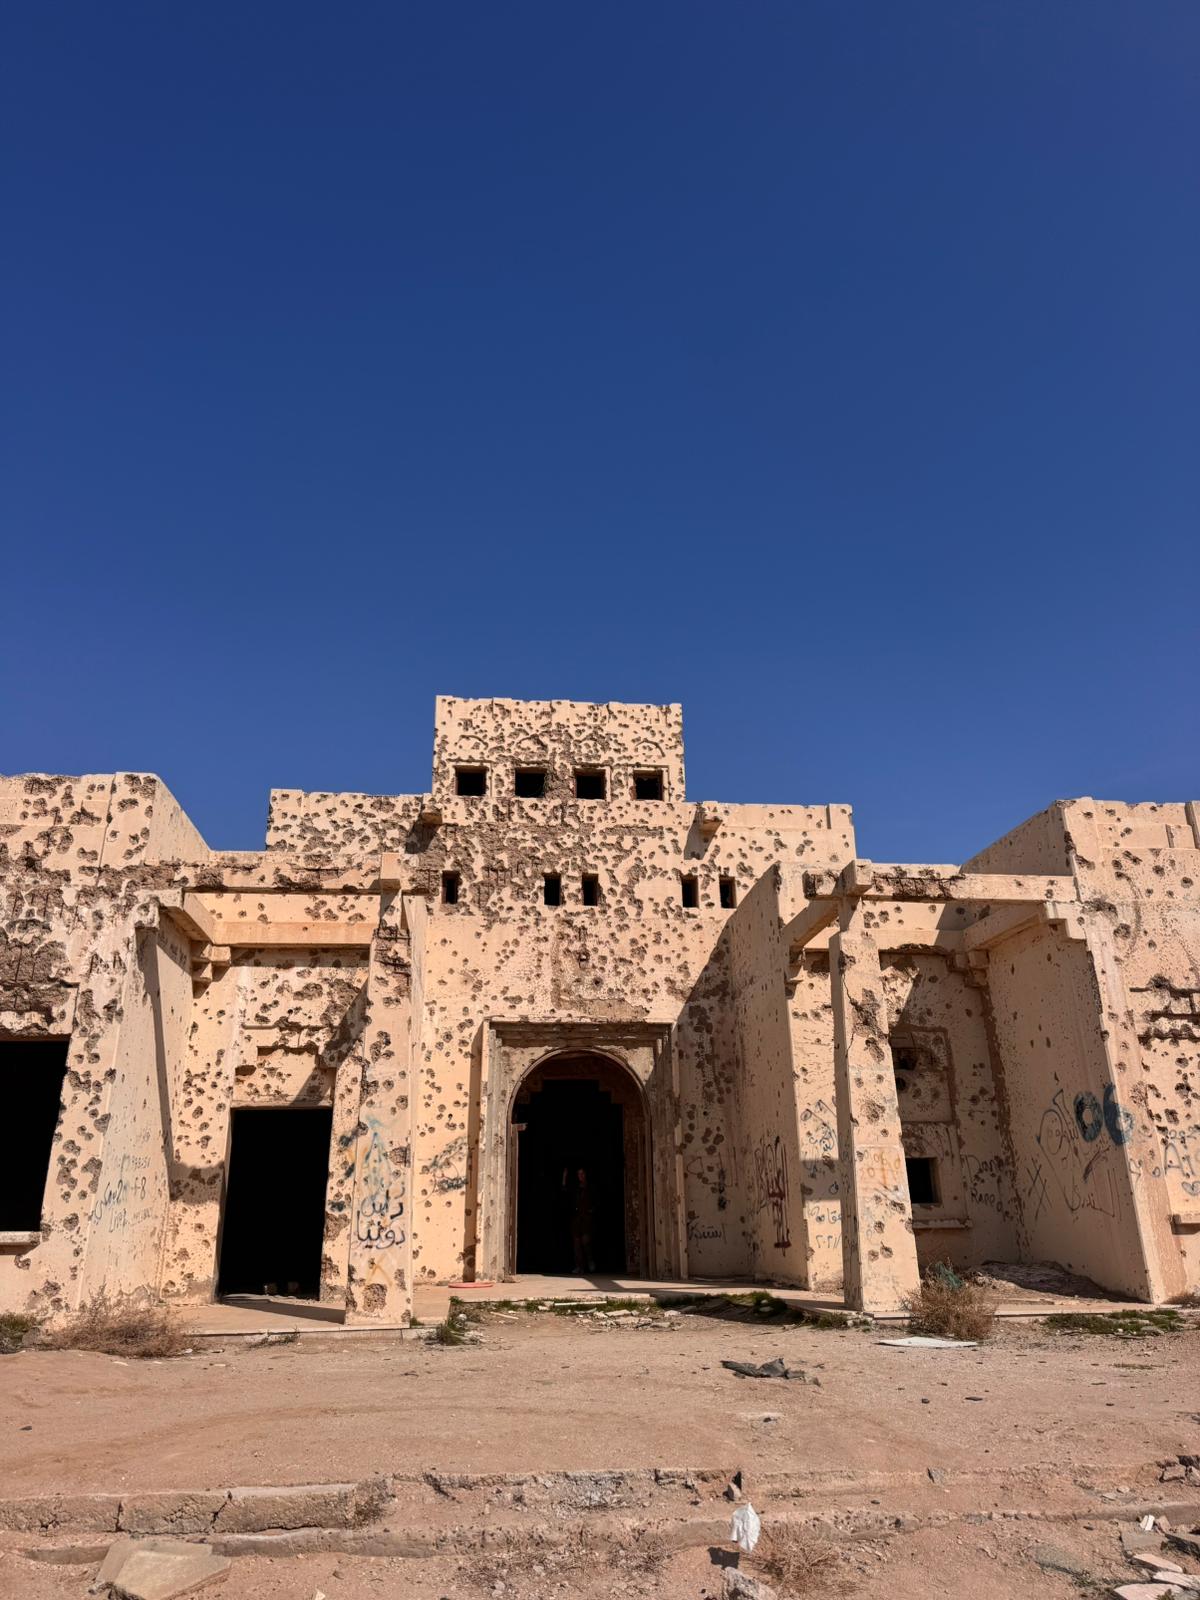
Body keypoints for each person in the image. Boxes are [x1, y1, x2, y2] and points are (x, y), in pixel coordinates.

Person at [562, 1165, 595, 1274]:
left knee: (585, 1241)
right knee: (576, 1243)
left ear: (585, 1174)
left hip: (586, 1217)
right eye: (578, 1174)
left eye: (582, 1174)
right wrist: (564, 1177)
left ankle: (590, 1261)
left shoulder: (590, 1187)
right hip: (576, 1218)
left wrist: (591, 1210)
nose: (580, 1176)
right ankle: (579, 1266)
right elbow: (565, 1191)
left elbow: (595, 1201)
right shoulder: (576, 1188)